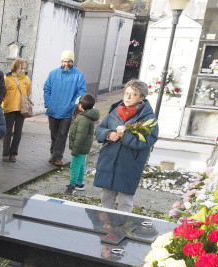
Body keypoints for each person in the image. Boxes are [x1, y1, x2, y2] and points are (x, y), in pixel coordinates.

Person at [93, 79, 158, 212]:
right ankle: (105, 227)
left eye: (132, 94)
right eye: (126, 93)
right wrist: (109, 134)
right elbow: (99, 130)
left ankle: (122, 229)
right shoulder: (115, 112)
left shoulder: (148, 118)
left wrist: (125, 136)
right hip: (109, 161)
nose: (127, 97)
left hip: (129, 164)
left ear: (142, 98)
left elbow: (149, 140)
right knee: (106, 197)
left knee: (125, 200)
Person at [43, 50, 86, 167]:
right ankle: (53, 154)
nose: (67, 64)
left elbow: (81, 91)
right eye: (65, 61)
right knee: (54, 134)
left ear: (72, 61)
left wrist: (73, 104)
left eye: (69, 61)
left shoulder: (78, 75)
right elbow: (47, 88)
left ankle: (57, 157)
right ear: (61, 61)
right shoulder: (53, 74)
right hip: (53, 110)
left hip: (67, 110)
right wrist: (48, 103)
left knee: (62, 134)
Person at [66, 93, 99, 195]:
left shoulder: (83, 119)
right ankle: (79, 183)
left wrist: (75, 150)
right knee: (80, 165)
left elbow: (80, 136)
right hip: (83, 147)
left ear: (81, 105)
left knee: (74, 166)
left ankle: (72, 186)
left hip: (79, 147)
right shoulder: (87, 117)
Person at [1, 58, 31, 162]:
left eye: (24, 68)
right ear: (15, 67)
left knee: (18, 132)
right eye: (20, 68)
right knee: (7, 132)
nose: (22, 70)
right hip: (9, 108)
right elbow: (3, 92)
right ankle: (5, 153)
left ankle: (13, 153)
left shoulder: (27, 79)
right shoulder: (7, 77)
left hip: (21, 109)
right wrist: (3, 105)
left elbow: (27, 91)